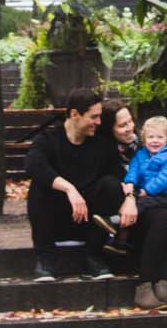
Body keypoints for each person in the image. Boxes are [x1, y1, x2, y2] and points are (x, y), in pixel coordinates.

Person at [24, 91, 130, 282]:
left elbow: (119, 175)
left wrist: (129, 199)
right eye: (94, 117)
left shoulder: (101, 142)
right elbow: (33, 165)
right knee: (39, 187)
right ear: (74, 115)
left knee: (111, 185)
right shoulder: (48, 139)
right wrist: (69, 189)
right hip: (55, 220)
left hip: (90, 221)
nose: (99, 122)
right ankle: (45, 259)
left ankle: (94, 257)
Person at [112, 114, 167, 311]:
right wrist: (131, 186)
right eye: (151, 137)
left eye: (160, 137)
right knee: (164, 218)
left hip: (153, 197)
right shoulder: (138, 153)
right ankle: (145, 285)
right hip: (137, 204)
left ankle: (164, 283)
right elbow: (132, 171)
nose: (155, 141)